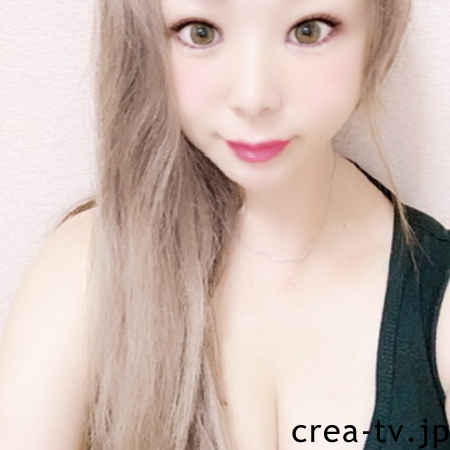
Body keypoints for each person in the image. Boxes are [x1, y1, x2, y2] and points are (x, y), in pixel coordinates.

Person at [0, 0, 449, 449]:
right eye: (200, 32)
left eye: (308, 30)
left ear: (380, 30)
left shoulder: (438, 296)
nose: (253, 98)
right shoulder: (88, 270)